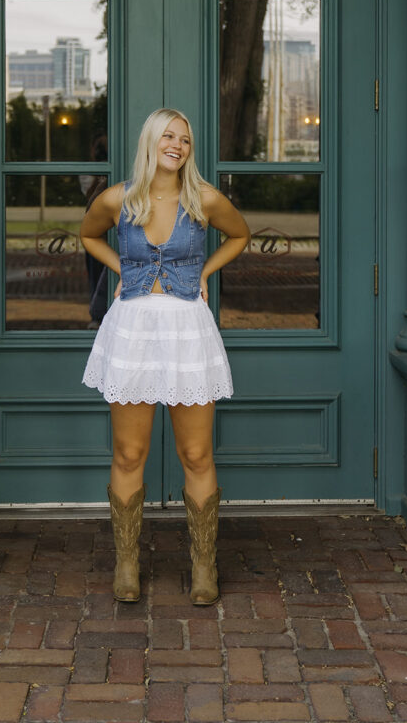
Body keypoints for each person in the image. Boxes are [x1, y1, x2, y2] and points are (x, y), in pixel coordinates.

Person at [79, 108, 250, 605]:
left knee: (196, 453)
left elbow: (240, 235)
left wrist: (204, 274)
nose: (178, 145)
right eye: (169, 136)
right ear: (151, 140)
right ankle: (127, 562)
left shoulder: (205, 200)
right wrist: (122, 271)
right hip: (133, 327)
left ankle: (203, 564)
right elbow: (88, 236)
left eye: (186, 139)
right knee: (129, 452)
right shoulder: (117, 198)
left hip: (187, 329)